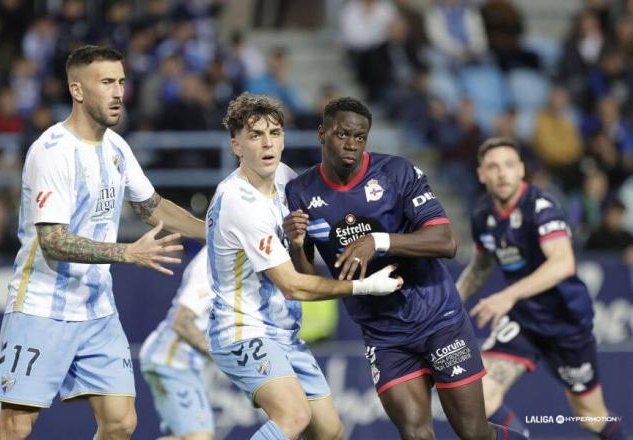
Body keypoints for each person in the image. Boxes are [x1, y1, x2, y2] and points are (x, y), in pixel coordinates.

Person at [0, 45, 206, 440]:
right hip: (41, 306)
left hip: (96, 307)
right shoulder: (52, 152)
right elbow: (53, 241)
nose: (118, 92)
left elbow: (152, 207)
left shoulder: (117, 148)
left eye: (121, 81)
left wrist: (213, 232)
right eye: (106, 82)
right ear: (78, 90)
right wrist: (127, 252)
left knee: (121, 422)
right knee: (15, 427)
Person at [284, 97, 526, 440]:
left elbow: (446, 241)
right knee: (415, 435)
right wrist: (296, 246)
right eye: (342, 135)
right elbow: (310, 283)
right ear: (322, 133)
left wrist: (378, 241)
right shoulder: (301, 192)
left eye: (360, 137)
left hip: (436, 317)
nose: (351, 144)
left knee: (473, 433)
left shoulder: (396, 172)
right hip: (383, 334)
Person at [205, 92, 403, 440]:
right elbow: (293, 285)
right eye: (255, 136)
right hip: (242, 330)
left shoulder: (284, 177)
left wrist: (298, 245)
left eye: (275, 133)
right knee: (293, 417)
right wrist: (365, 286)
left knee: (329, 432)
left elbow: (302, 258)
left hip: (283, 332)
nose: (268, 144)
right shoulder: (238, 201)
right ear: (236, 146)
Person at [456, 137, 627, 439]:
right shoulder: (483, 216)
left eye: (509, 165)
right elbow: (481, 267)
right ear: (481, 174)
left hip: (566, 323)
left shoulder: (540, 206)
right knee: (478, 398)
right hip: (523, 321)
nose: (502, 173)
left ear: (521, 169)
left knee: (591, 418)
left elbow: (563, 263)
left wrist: (507, 295)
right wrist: (447, 305)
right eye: (493, 167)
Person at [140, 246, 214, 440]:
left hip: (183, 363)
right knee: (199, 438)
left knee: (181, 437)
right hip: (171, 360)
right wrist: (221, 355)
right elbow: (181, 322)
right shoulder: (212, 261)